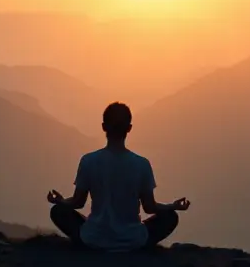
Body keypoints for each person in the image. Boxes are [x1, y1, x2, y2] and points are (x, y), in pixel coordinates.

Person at [47, 101, 190, 251]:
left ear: (104, 127)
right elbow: (149, 207)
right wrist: (172, 206)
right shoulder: (141, 164)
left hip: (94, 237)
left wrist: (61, 201)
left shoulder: (89, 161)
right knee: (170, 217)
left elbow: (78, 202)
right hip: (133, 239)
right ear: (129, 128)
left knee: (58, 211)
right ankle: (134, 248)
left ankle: (90, 244)